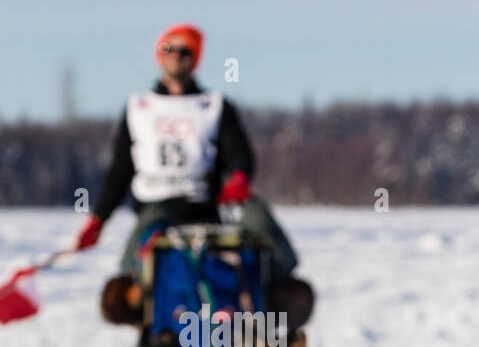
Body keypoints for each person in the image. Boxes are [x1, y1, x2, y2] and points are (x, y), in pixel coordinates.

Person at [75, 23, 311, 328]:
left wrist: (238, 178)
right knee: (137, 263)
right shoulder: (139, 108)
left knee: (257, 215)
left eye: (184, 51)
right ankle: (150, 322)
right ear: (158, 55)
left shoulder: (213, 106)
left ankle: (277, 291)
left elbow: (239, 153)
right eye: (167, 49)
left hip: (205, 205)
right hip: (156, 207)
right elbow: (120, 170)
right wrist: (98, 219)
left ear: (194, 58)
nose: (175, 56)